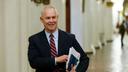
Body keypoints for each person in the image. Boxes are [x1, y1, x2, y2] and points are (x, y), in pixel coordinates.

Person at [28, 5, 89, 72]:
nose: (51, 21)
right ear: (41, 20)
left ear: (57, 18)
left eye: (53, 17)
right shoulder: (34, 40)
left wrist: (77, 71)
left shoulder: (69, 38)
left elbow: (84, 59)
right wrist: (56, 60)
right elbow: (33, 62)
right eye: (48, 18)